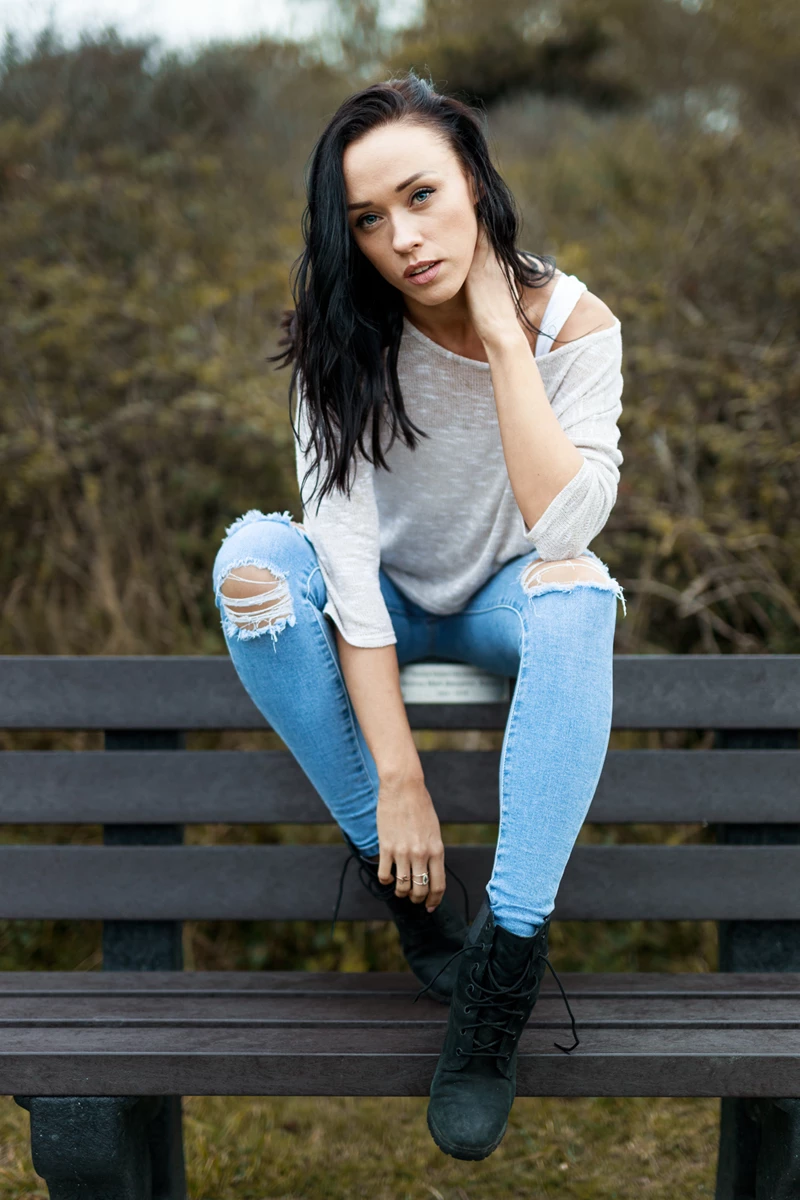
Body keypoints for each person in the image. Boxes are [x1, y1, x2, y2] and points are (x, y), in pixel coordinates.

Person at [212, 69, 626, 1161]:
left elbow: (562, 526)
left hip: (506, 588)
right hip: (381, 598)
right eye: (367, 219)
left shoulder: (573, 328)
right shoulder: (338, 334)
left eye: (421, 196)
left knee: (583, 591)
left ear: (475, 187)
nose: (401, 236)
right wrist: (397, 783)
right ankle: (405, 891)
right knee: (251, 563)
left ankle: (502, 968)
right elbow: (341, 558)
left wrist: (500, 338)